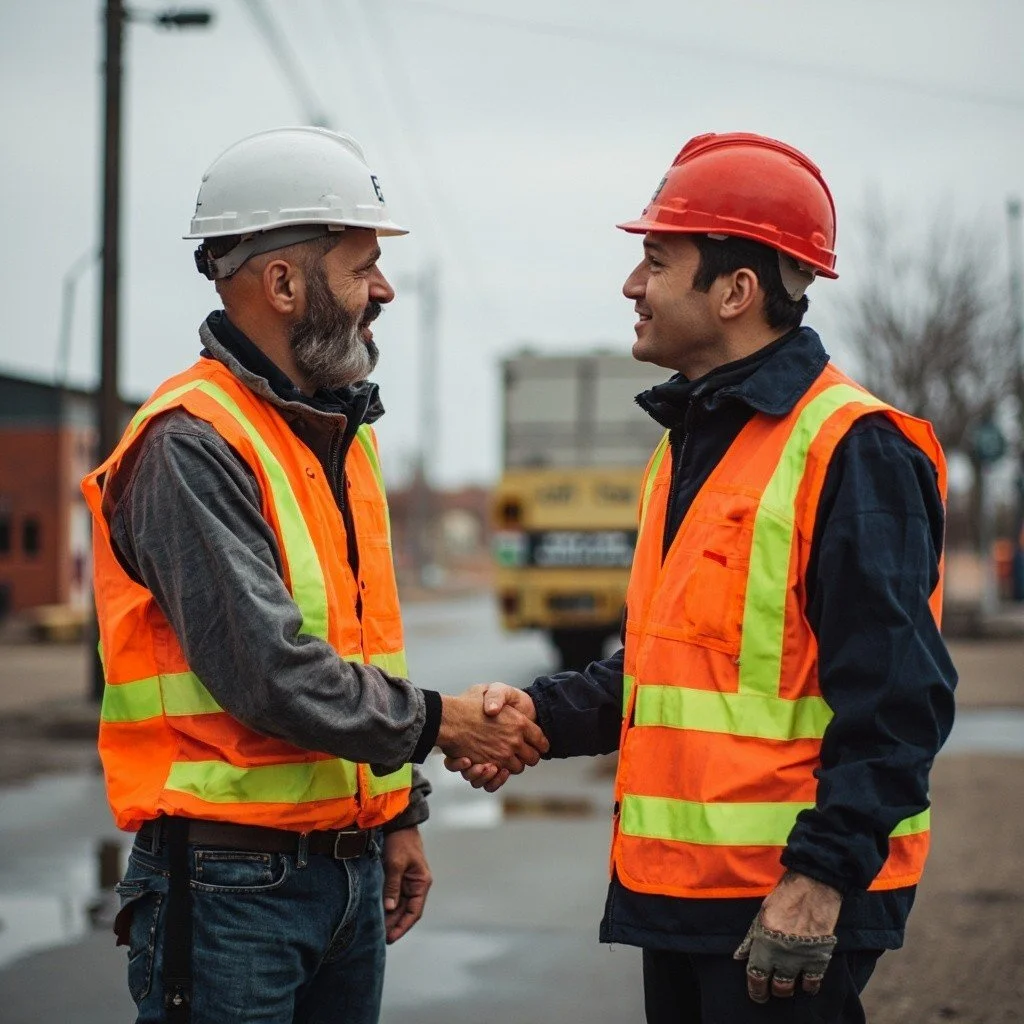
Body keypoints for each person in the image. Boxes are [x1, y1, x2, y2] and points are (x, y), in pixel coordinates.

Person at [448, 132, 957, 1023]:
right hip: (684, 899)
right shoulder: (691, 446)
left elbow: (900, 698)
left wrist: (822, 879)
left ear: (735, 291)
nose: (631, 286)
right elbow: (669, 671)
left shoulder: (851, 448)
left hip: (782, 907)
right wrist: (536, 717)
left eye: (655, 259)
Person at [82, 126, 547, 1024]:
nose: (384, 289)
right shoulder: (191, 442)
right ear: (284, 283)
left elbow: (358, 646)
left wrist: (396, 812)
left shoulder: (335, 435)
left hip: (346, 867)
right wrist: (441, 724)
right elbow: (268, 670)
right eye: (361, 265)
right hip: (228, 890)